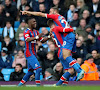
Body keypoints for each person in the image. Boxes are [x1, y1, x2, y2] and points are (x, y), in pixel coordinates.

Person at [47, 19, 84, 86]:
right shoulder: (56, 28)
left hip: (59, 51)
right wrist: (73, 32)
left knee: (67, 70)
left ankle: (64, 85)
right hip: (64, 50)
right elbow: (66, 30)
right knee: (71, 70)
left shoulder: (52, 32)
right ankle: (79, 71)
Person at [18, 18, 50, 86]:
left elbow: (42, 40)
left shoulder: (36, 32)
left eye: (35, 21)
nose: (35, 23)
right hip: (28, 53)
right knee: (38, 69)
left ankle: (19, 86)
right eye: (34, 22)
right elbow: (27, 39)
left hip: (34, 53)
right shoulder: (26, 31)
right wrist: (37, 37)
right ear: (29, 23)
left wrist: (49, 36)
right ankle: (38, 86)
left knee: (30, 72)